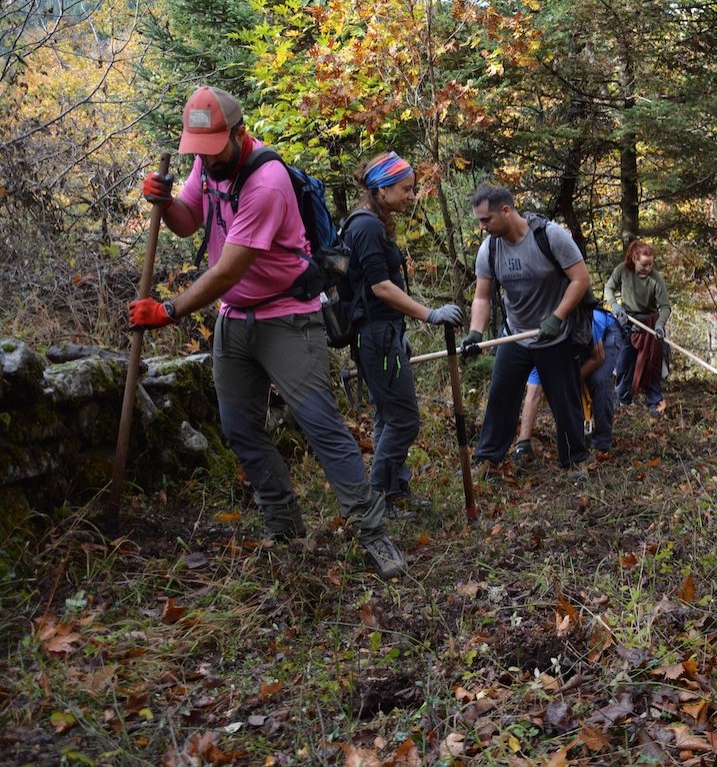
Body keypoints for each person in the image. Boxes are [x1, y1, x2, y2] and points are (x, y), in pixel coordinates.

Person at [127, 86, 407, 579]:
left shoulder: (268, 182)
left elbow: (228, 270)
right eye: (199, 153)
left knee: (321, 426)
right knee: (240, 429)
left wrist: (168, 309)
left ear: (238, 134)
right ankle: (284, 526)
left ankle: (373, 534)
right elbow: (191, 223)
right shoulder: (206, 162)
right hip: (235, 320)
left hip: (288, 317)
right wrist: (167, 203)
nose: (206, 162)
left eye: (214, 151)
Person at [344, 152, 463, 514]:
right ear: (382, 189)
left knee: (387, 416)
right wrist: (430, 315)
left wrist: (399, 330)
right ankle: (379, 497)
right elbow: (380, 287)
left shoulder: (373, 223)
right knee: (405, 418)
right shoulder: (364, 226)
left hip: (383, 332)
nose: (412, 196)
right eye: (406, 189)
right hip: (375, 335)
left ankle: (395, 491)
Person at [460, 184, 592, 476]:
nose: (482, 227)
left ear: (506, 210)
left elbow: (580, 279)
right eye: (479, 221)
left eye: (486, 220)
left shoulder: (550, 236)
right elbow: (482, 296)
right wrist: (475, 333)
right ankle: (487, 459)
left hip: (555, 335)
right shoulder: (490, 248)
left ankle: (575, 461)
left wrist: (557, 317)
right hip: (515, 334)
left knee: (565, 401)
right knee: (501, 397)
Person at [514, 306, 624, 463]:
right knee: (569, 382)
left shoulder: (580, 321)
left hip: (607, 333)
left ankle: (602, 441)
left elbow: (598, 357)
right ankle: (576, 432)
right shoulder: (538, 346)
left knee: (598, 380)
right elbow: (533, 395)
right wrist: (523, 441)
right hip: (573, 345)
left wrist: (569, 382)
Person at [604, 240, 671, 414]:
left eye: (650, 264)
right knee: (624, 361)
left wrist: (659, 325)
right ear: (634, 259)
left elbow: (665, 307)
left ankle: (654, 402)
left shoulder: (656, 279)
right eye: (644, 264)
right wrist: (616, 307)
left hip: (648, 324)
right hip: (627, 321)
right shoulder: (622, 270)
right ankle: (622, 399)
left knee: (651, 364)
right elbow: (608, 288)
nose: (647, 268)